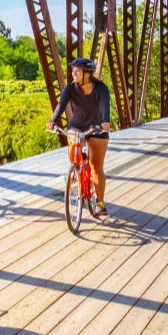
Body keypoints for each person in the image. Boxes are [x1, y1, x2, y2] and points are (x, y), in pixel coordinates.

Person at [46, 57, 113, 216]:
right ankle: (75, 170)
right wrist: (52, 121)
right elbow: (61, 106)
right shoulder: (70, 89)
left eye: (77, 70)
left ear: (87, 74)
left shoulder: (101, 89)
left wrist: (105, 122)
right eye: (72, 69)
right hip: (77, 126)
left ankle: (100, 202)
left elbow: (105, 109)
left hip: (97, 128)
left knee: (96, 166)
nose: (73, 72)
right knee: (74, 151)